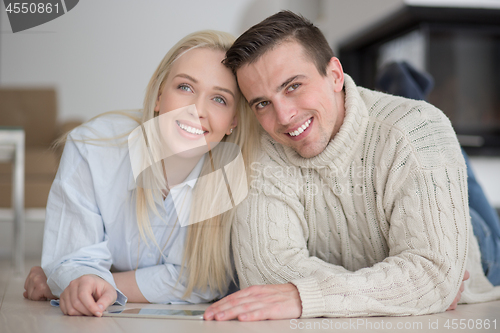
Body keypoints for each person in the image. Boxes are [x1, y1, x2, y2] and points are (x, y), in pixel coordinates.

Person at [204, 11, 500, 321]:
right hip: (388, 190)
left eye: (292, 86)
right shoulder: (262, 154)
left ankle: (405, 93)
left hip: (477, 246)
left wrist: (304, 294)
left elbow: (433, 274)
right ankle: (399, 87)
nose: (283, 116)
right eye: (262, 103)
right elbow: (266, 276)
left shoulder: (417, 127)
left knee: (429, 141)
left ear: (334, 75)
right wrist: (403, 288)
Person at [23, 30, 259, 317]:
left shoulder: (237, 173)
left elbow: (203, 280)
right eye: (185, 87)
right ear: (159, 96)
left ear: (233, 120)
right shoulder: (92, 148)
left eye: (219, 99)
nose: (197, 110)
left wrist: (92, 283)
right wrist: (77, 280)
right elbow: (71, 256)